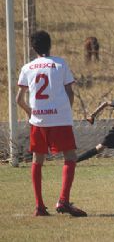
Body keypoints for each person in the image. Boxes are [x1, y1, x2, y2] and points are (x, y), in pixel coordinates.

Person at [16, 30, 87, 217]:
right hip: (60, 119)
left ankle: (39, 206)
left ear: (33, 47)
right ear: (50, 45)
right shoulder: (60, 64)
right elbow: (69, 91)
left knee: (37, 161)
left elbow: (19, 99)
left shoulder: (27, 67)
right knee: (70, 157)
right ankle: (63, 200)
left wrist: (31, 112)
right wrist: (66, 111)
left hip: (38, 120)